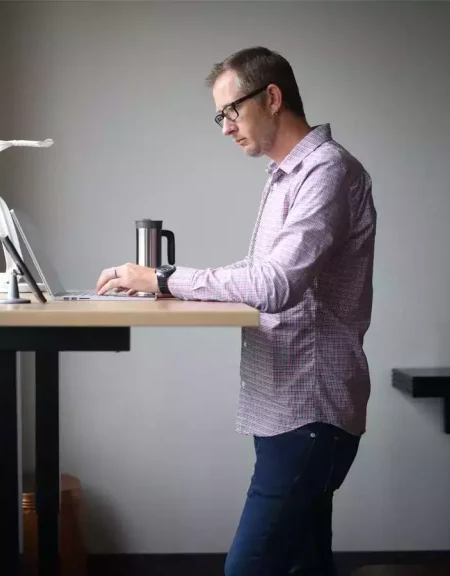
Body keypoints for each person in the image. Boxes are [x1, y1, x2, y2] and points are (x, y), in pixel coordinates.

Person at [95, 46, 376, 576]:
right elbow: (258, 274)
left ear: (272, 98)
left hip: (309, 411)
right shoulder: (286, 176)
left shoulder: (327, 172)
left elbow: (273, 285)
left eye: (231, 111)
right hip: (287, 407)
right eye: (219, 115)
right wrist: (167, 286)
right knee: (306, 566)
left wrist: (161, 276)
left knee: (248, 568)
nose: (224, 127)